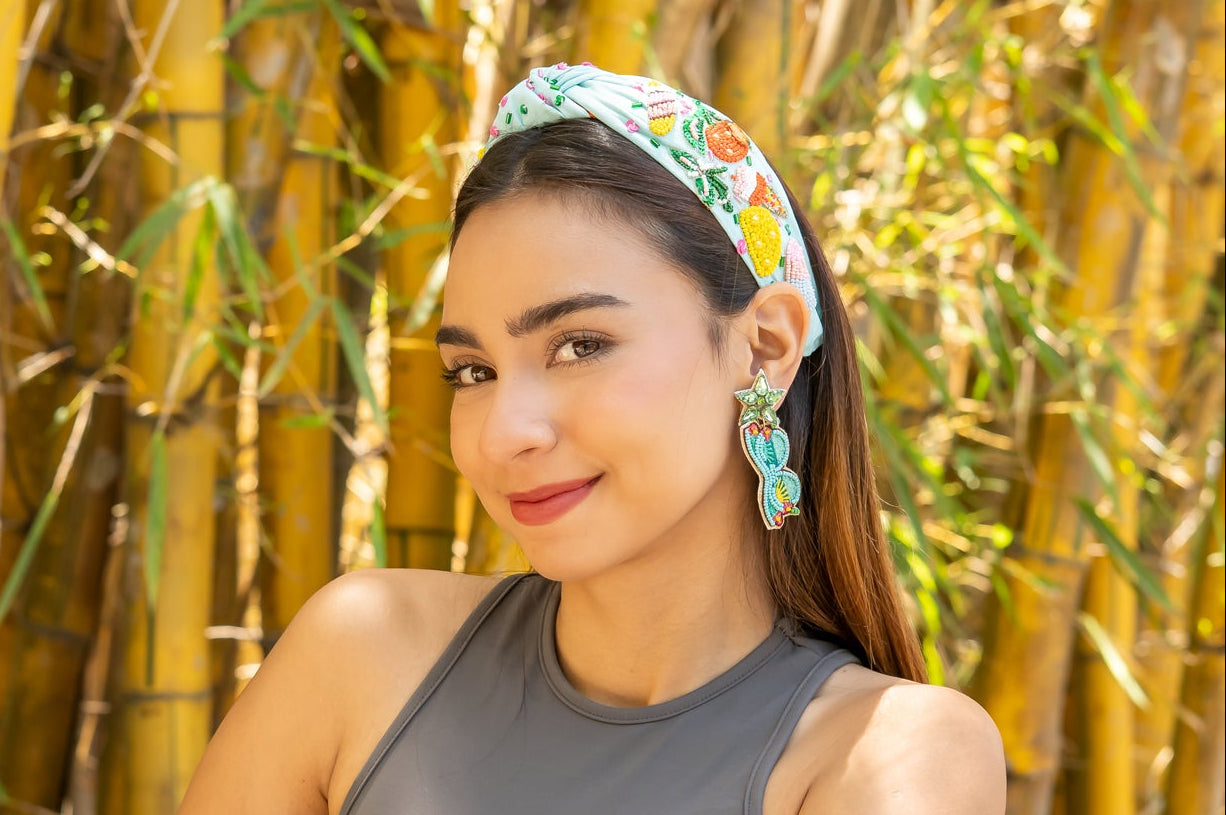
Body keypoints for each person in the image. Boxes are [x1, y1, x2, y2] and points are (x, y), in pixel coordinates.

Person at [178, 64, 1005, 815]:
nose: (505, 432)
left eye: (580, 345)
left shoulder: (891, 754)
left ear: (764, 348)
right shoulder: (362, 654)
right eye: (472, 370)